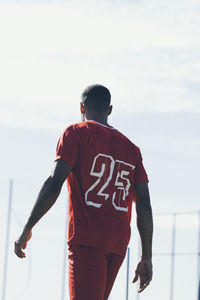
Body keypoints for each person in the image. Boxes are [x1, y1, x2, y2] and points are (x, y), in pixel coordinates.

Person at [14, 84, 153, 300]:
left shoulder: (76, 133)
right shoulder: (132, 150)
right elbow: (143, 205)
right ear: (110, 110)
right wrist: (146, 256)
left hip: (88, 239)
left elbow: (53, 184)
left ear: (81, 107)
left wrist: (27, 228)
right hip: (117, 244)